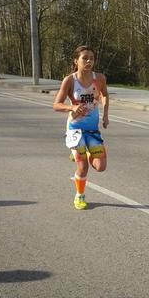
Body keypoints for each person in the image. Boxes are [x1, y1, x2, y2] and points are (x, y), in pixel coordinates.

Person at [53, 45, 109, 209]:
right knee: (83, 166)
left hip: (93, 130)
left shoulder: (99, 78)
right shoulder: (70, 80)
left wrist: (105, 115)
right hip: (75, 129)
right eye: (85, 58)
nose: (89, 61)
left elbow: (105, 95)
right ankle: (80, 196)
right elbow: (56, 105)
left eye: (91, 58)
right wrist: (72, 107)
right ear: (76, 60)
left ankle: (81, 152)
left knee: (100, 167)